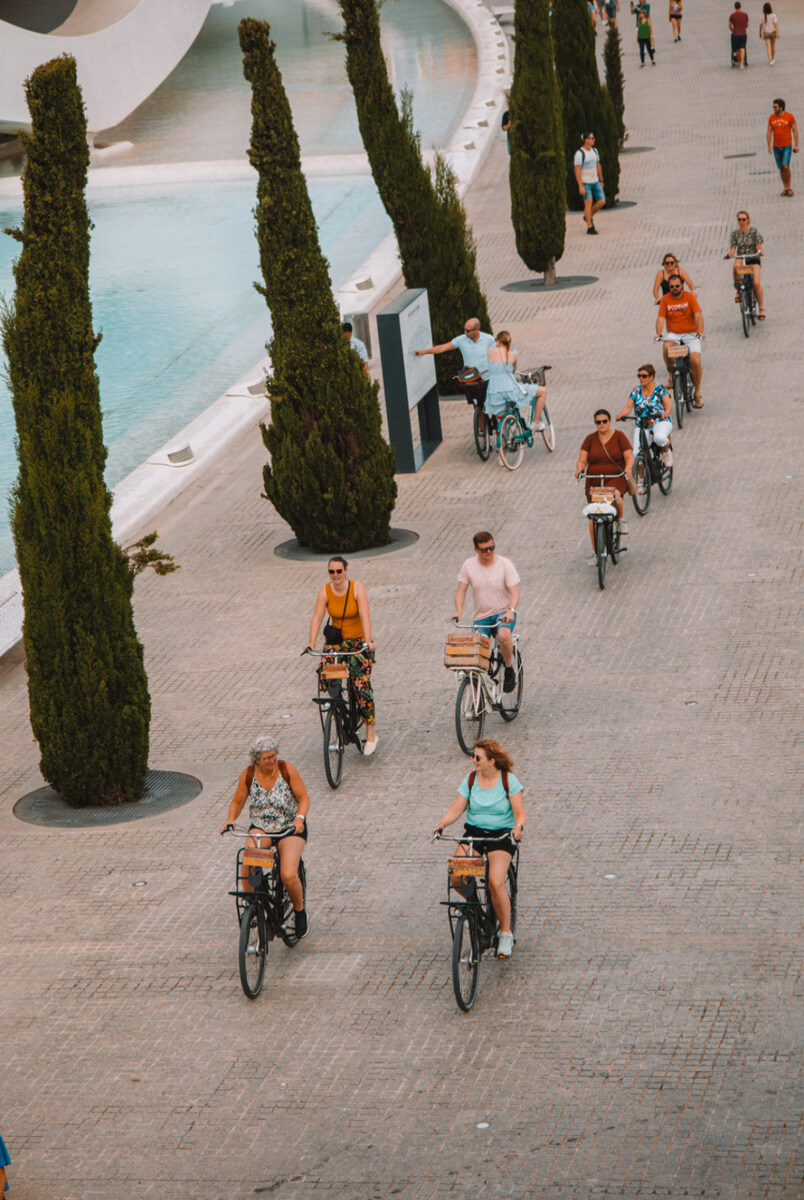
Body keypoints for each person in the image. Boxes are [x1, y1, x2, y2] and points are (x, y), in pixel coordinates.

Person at [432, 738, 525, 959]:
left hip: (500, 836)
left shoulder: (508, 781)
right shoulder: (471, 779)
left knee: (495, 882)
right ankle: (476, 911)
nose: (473, 760)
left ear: (492, 761)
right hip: (474, 835)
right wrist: (442, 824)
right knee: (456, 876)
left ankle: (505, 932)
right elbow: (456, 808)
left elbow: (520, 813)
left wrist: (518, 828)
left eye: (477, 757)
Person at [220, 736, 310, 938]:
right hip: (262, 827)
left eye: (274, 756)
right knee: (248, 857)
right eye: (267, 758)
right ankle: (253, 902)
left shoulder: (286, 769)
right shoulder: (249, 774)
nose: (272, 760)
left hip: (289, 828)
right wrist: (230, 819)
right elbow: (238, 801)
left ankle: (299, 909)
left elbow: (303, 797)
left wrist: (299, 818)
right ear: (257, 760)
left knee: (287, 874)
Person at [306, 555, 378, 754]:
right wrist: (311, 643)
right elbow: (317, 617)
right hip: (337, 643)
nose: (335, 575)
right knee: (325, 671)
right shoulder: (325, 591)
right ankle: (336, 708)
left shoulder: (357, 588)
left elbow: (365, 616)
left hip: (357, 643)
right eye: (331, 571)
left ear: (345, 571)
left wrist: (368, 641)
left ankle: (370, 732)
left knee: (360, 684)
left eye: (339, 571)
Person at [454, 532, 520, 692]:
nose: (489, 552)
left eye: (491, 548)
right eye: (484, 550)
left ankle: (509, 669)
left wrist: (511, 610)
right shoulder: (469, 566)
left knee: (504, 636)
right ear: (476, 550)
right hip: (481, 617)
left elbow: (515, 592)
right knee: (476, 651)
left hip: (503, 614)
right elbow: (461, 590)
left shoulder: (505, 564)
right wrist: (458, 611)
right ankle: (478, 697)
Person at [575, 410, 634, 553]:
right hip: (594, 480)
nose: (601, 424)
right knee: (593, 517)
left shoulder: (619, 436)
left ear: (609, 421)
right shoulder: (590, 439)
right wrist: (579, 470)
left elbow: (629, 456)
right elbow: (582, 460)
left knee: (616, 496)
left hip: (615, 477)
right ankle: (597, 553)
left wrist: (628, 469)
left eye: (604, 421)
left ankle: (620, 520)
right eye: (598, 422)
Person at [616, 365, 673, 493]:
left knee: (659, 438)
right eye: (639, 376)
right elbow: (628, 407)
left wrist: (666, 412)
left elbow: (668, 405)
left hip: (659, 421)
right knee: (637, 454)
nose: (641, 378)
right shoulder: (636, 391)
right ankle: (640, 482)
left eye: (644, 376)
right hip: (642, 424)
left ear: (651, 377)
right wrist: (622, 414)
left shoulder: (659, 389)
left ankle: (666, 452)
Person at [415, 317, 495, 409]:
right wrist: (424, 352)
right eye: (464, 329)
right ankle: (480, 423)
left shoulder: (489, 339)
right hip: (471, 379)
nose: (465, 332)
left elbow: (499, 352)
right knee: (477, 408)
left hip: (487, 378)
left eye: (468, 331)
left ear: (476, 330)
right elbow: (442, 348)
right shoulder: (461, 340)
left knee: (494, 406)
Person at [484, 330, 548, 431]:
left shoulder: (490, 351)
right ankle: (536, 423)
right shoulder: (513, 354)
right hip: (510, 390)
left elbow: (490, 342)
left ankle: (503, 444)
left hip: (494, 392)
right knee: (542, 391)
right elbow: (513, 370)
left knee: (501, 418)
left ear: (499, 342)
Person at [656, 274, 704, 407]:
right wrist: (659, 333)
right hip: (674, 334)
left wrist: (700, 331)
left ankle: (697, 393)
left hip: (691, 334)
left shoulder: (689, 297)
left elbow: (698, 315)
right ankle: (671, 374)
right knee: (666, 346)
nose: (674, 288)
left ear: (682, 286)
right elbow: (661, 318)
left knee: (695, 361)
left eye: (677, 286)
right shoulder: (665, 299)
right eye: (671, 287)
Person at [726, 210, 765, 319]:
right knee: (735, 266)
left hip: (753, 258)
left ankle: (761, 308)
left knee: (756, 283)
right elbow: (733, 248)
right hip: (742, 258)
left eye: (744, 219)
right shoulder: (735, 234)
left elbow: (758, 245)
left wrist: (760, 251)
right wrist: (730, 254)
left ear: (748, 220)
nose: (742, 221)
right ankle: (738, 289)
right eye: (739, 219)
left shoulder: (753, 232)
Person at [574, 132, 606, 235]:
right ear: (586, 140)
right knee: (588, 203)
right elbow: (577, 170)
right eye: (591, 138)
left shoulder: (594, 151)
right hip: (585, 182)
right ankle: (590, 226)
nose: (593, 140)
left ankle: (588, 216)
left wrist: (601, 180)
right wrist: (580, 185)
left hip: (595, 180)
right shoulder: (579, 154)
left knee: (602, 201)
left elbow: (598, 165)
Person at [767, 99, 798, 197]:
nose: (774, 109)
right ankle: (785, 187)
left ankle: (789, 187)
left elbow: (794, 130)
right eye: (773, 107)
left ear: (781, 107)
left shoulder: (789, 117)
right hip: (776, 146)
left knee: (786, 166)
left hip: (787, 146)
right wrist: (769, 145)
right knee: (781, 168)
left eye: (775, 107)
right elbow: (769, 131)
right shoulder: (771, 118)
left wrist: (796, 145)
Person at [729, 2, 748, 68]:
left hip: (735, 34)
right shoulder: (745, 14)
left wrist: (733, 30)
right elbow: (747, 24)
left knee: (737, 49)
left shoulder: (732, 15)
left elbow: (729, 25)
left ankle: (739, 61)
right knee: (742, 48)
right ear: (740, 6)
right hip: (743, 33)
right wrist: (744, 28)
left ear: (735, 7)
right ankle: (742, 63)